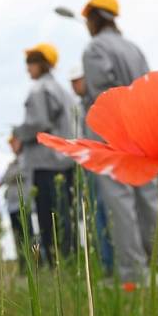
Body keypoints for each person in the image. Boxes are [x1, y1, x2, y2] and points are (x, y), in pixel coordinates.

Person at [80, 0, 158, 282]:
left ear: (95, 18)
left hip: (114, 135)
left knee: (120, 201)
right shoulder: (134, 48)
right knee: (150, 200)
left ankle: (134, 274)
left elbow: (101, 95)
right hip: (143, 131)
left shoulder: (94, 48)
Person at [12, 43, 77, 266]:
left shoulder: (39, 89)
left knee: (49, 217)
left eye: (30, 63)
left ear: (41, 64)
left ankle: (58, 263)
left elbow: (38, 123)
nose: (27, 69)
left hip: (46, 163)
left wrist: (17, 132)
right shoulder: (63, 91)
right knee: (65, 215)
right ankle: (70, 261)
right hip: (64, 161)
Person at [69, 65, 114, 274]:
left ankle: (113, 262)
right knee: (96, 213)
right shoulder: (79, 106)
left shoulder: (97, 102)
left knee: (107, 210)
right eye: (72, 82)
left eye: (78, 80)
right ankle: (106, 264)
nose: (75, 85)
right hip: (89, 166)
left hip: (103, 163)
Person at [1, 137, 34, 275]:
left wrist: (12, 175)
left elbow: (22, 173)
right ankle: (23, 266)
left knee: (27, 234)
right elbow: (4, 178)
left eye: (14, 142)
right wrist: (12, 175)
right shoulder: (12, 163)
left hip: (24, 203)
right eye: (10, 144)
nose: (12, 146)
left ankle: (33, 264)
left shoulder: (26, 159)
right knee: (17, 236)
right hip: (12, 205)